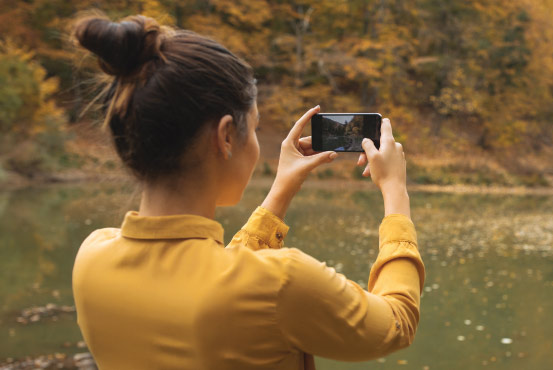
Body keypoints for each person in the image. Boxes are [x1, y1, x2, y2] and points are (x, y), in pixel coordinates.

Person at [71, 14, 425, 370]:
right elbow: (397, 321)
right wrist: (395, 191)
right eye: (254, 128)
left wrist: (282, 189)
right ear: (225, 137)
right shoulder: (281, 282)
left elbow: (216, 280)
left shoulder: (91, 258)